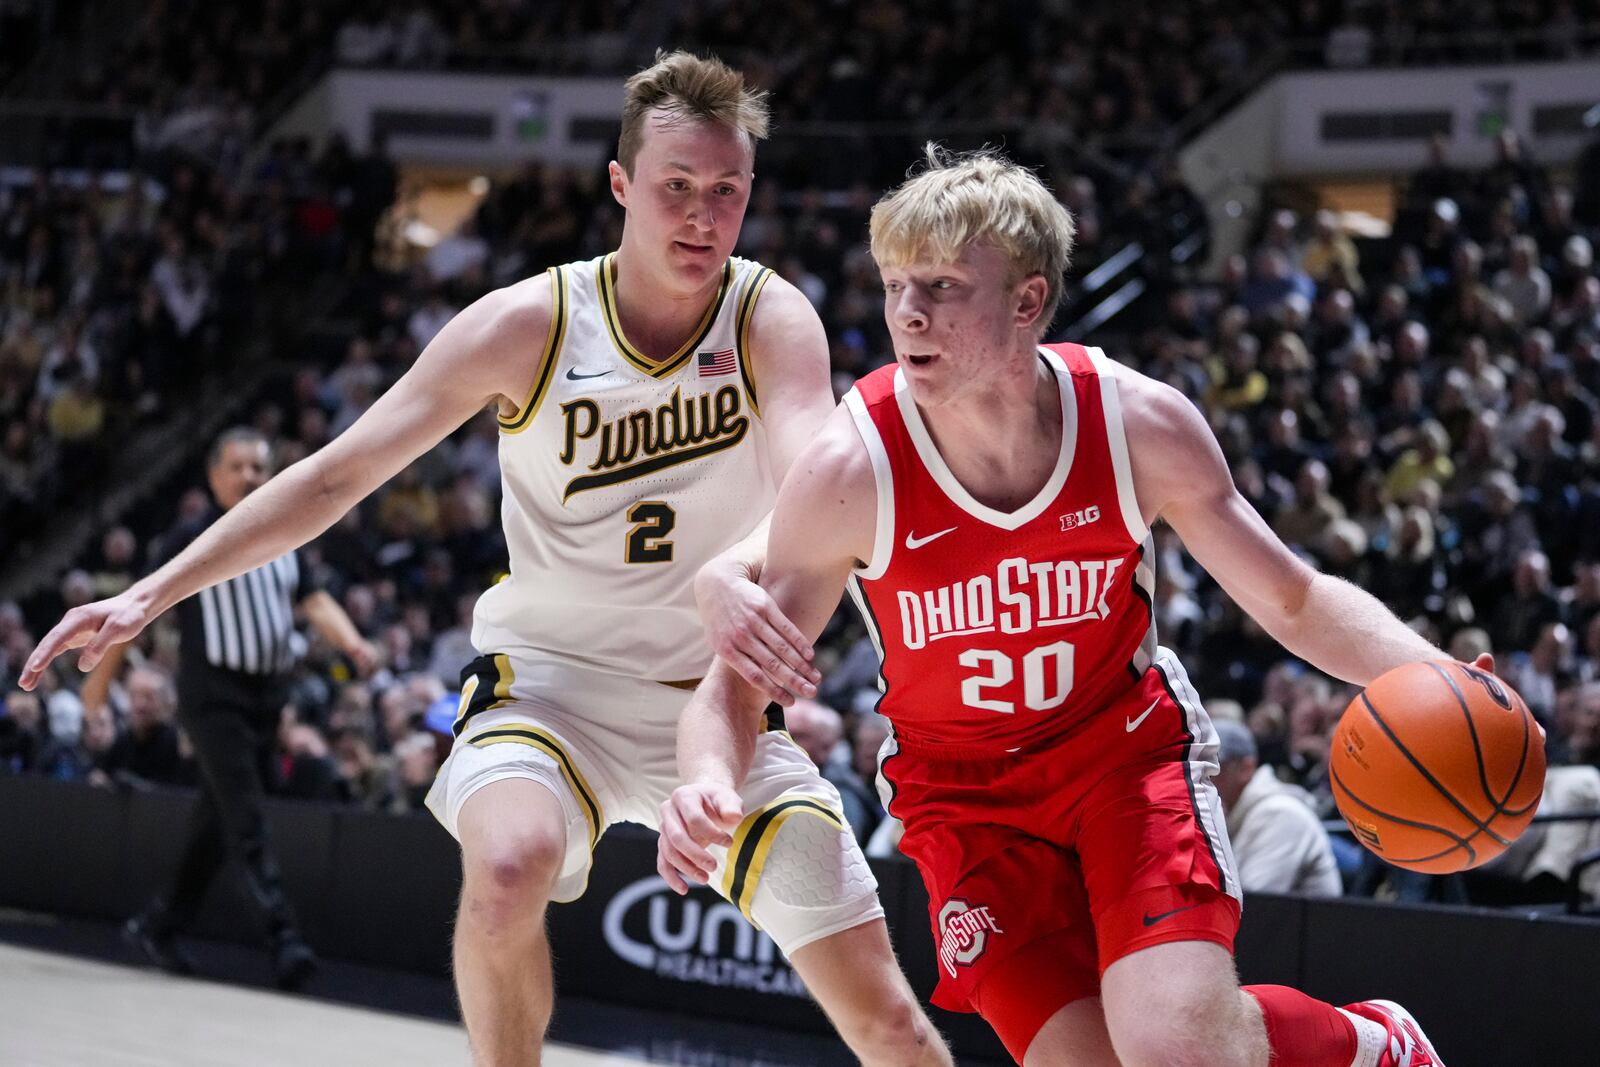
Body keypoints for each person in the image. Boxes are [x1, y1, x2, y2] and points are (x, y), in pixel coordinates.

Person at [23, 52, 948, 1067]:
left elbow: (810, 485)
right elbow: (338, 475)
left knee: (890, 1021)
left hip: (717, 701)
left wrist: (733, 568)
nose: (701, 215)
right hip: (547, 689)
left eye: (725, 192)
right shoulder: (531, 324)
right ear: (621, 185)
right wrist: (152, 592)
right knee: (507, 866)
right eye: (676, 187)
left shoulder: (770, 316)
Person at [660, 146, 1489, 1067]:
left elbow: (1292, 598)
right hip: (965, 800)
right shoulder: (855, 469)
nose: (908, 312)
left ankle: (1373, 1043)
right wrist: (705, 779)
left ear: (1026, 300)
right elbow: (734, 686)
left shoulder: (1137, 423)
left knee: (1176, 1048)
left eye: (939, 284)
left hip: (1123, 759)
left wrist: (1434, 670)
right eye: (895, 285)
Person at [76, 427, 378, 989]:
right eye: (237, 467)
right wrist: (95, 691)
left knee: (219, 819)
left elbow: (312, 599)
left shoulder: (288, 539)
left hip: (267, 697)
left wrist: (352, 641)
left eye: (258, 468)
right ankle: (283, 939)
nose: (249, 478)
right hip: (211, 696)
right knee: (245, 816)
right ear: (214, 475)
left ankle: (159, 924)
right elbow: (134, 613)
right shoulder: (189, 539)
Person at [1212, 720, 1342, 898]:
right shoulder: (1231, 814)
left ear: (1245, 768)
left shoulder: (1281, 813)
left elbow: (1253, 904)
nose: (1202, 776)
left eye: (1214, 767)